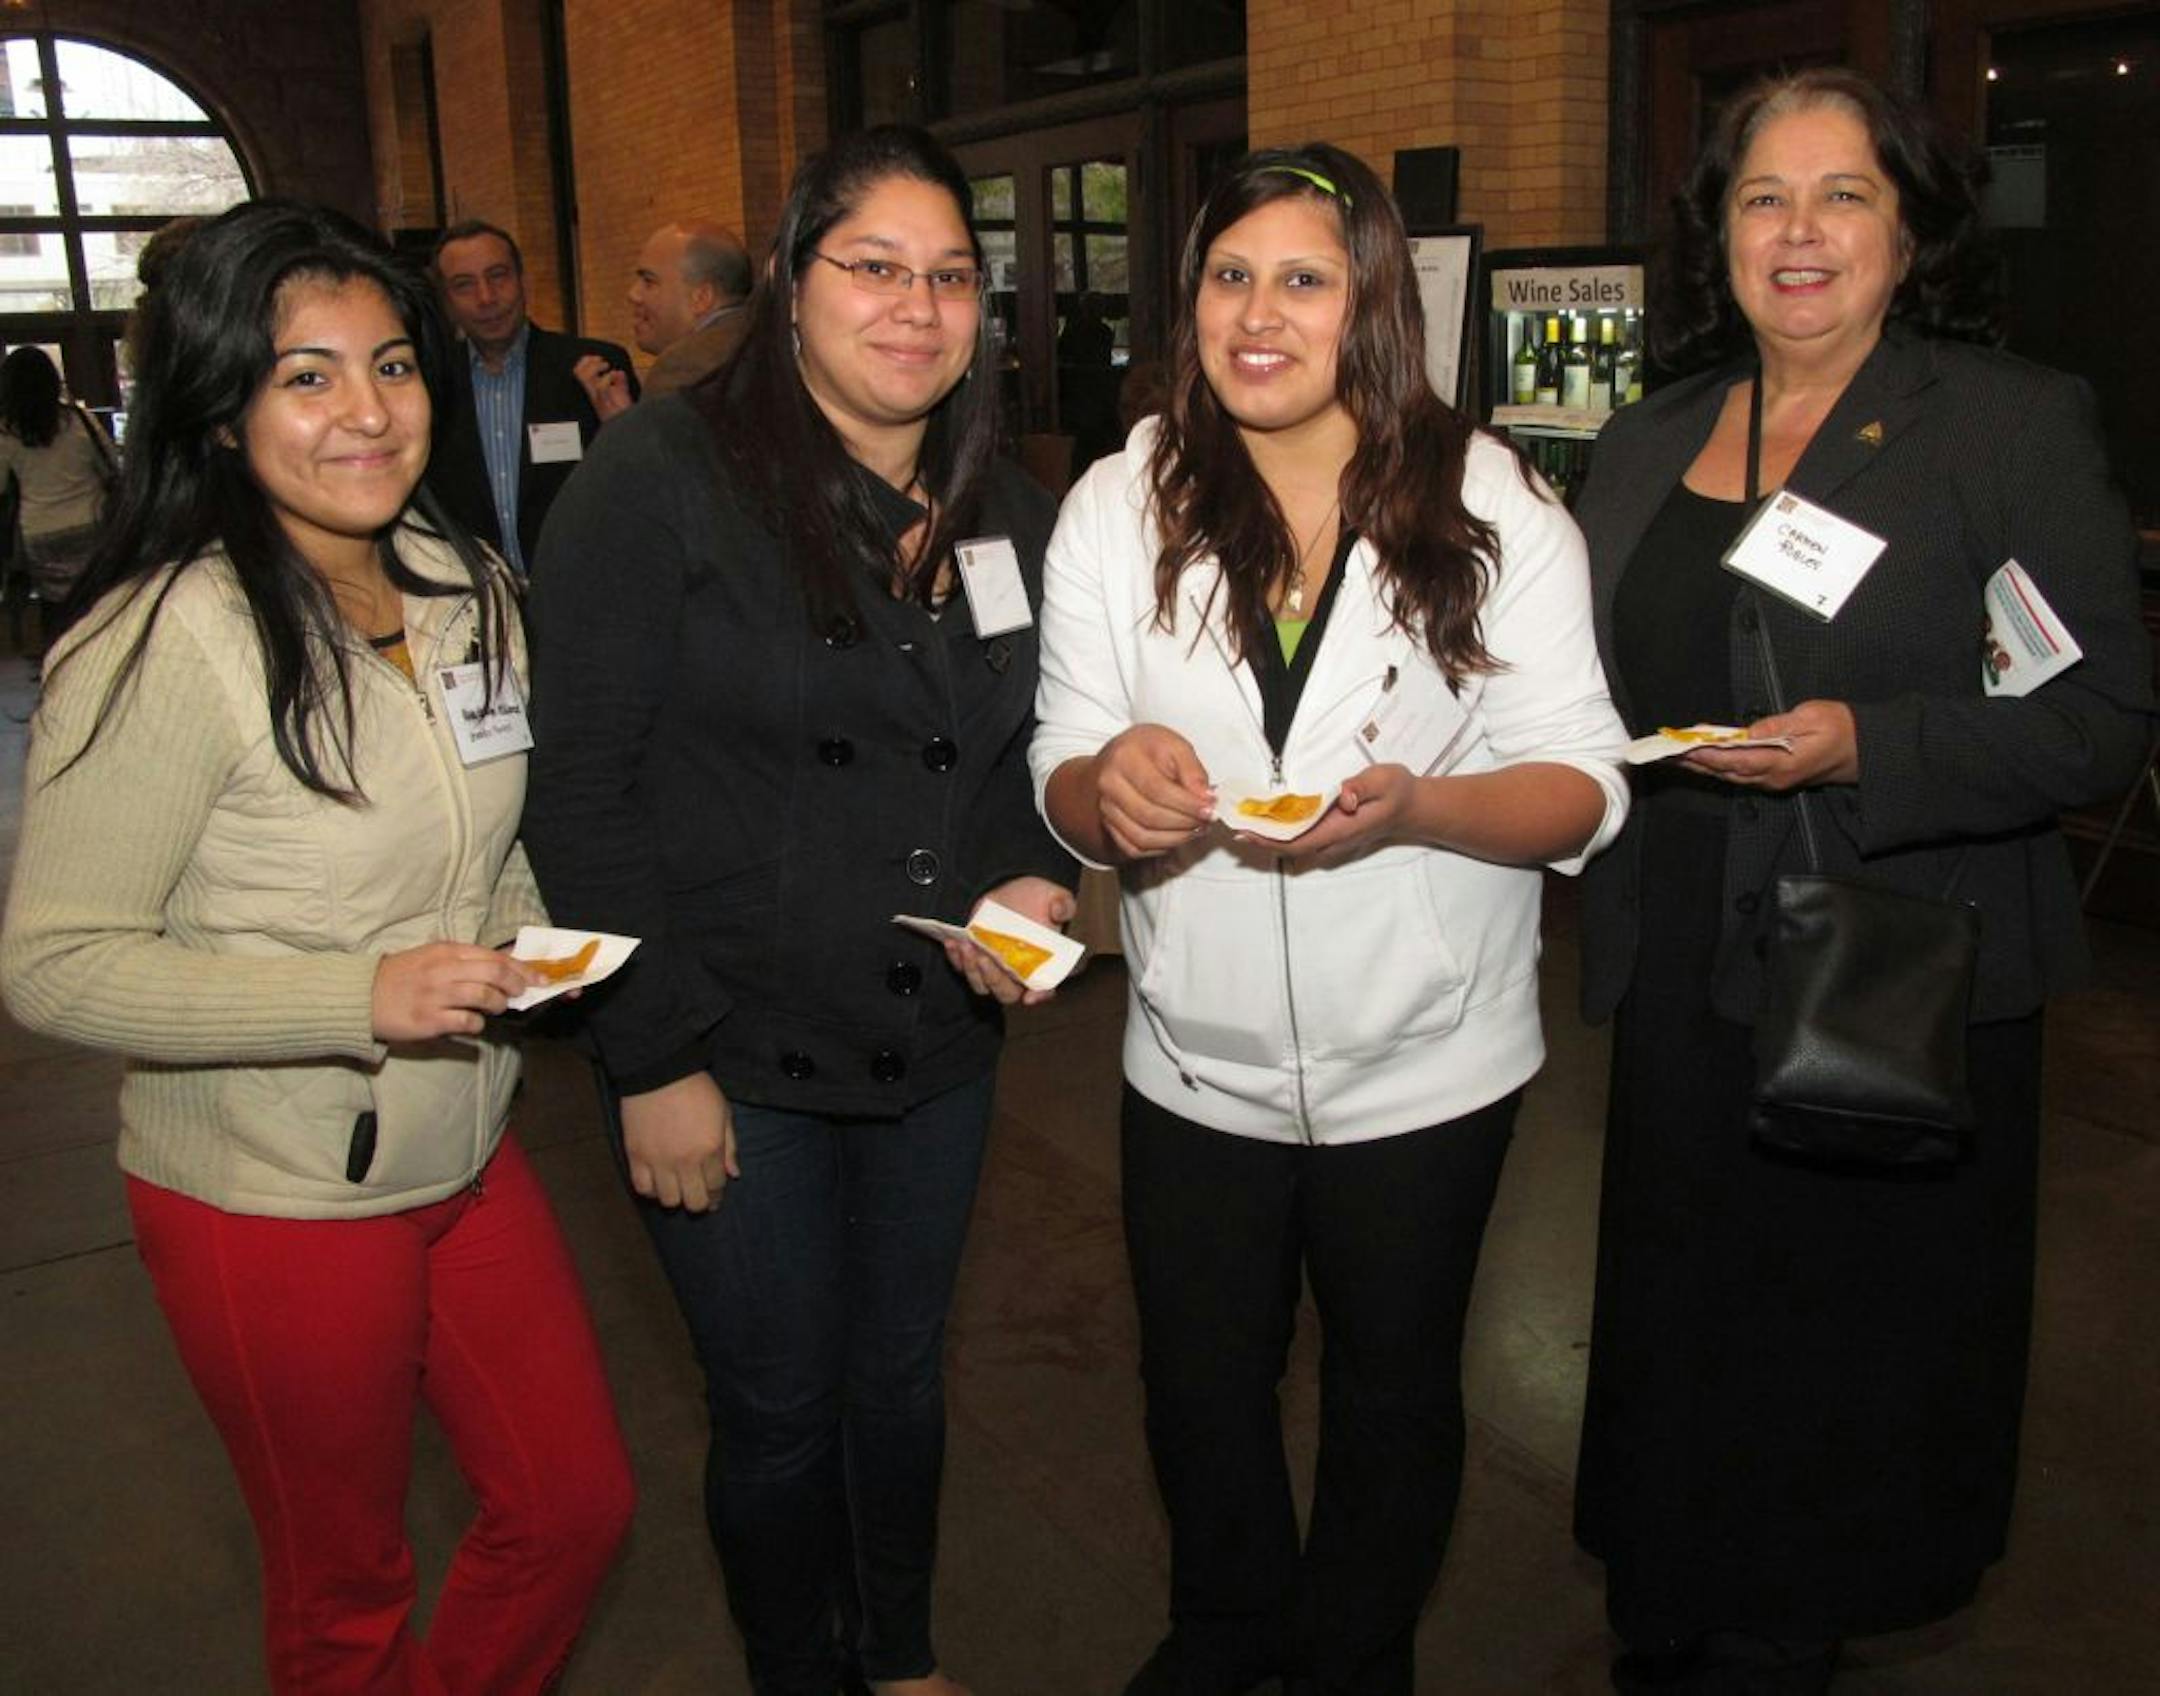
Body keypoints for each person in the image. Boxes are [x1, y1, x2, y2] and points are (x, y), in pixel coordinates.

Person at [1569, 69, 2156, 1694]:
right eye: (1764, 196)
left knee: (1840, 1336)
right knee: (1687, 1302)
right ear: (1721, 234)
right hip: (1687, 934)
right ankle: (1669, 1604)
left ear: (1912, 231)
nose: (1800, 231)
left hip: (1891, 948)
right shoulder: (1647, 432)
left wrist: (1871, 746)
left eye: (1844, 194)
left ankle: (1787, 1628)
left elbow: (2101, 713)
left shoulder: (2005, 424)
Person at [0, 199, 634, 1693]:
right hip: (267, 1195)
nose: (368, 411)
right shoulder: (162, 639)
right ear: (219, 408)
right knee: (345, 1587)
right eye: (307, 375)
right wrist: (360, 994)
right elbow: (55, 962)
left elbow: (487, 832)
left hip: (466, 1146)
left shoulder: (463, 582)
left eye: (394, 365)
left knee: (573, 1507)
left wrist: (534, 938)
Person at [1031, 144, 1631, 1696]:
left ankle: (1356, 1658)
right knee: (1201, 1394)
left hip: (1426, 1064)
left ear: (1372, 304)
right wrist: (1112, 789)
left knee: (1393, 1396)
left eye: (1304, 278)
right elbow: (1059, 757)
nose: (1259, 314)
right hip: (1193, 1064)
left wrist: (1425, 807)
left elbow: (1581, 784)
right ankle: (1226, 1639)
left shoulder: (1483, 497)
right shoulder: (1122, 500)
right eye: (1230, 276)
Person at [521, 126, 1075, 1696]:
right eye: (874, 268)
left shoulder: (1001, 505)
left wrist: (1040, 872)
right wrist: (648, 1057)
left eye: (952, 277)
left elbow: (1034, 748)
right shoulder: (666, 478)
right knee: (775, 1406)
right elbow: (583, 791)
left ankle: (896, 1655)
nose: (917, 308)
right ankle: (798, 1674)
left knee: (898, 1382)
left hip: (931, 1039)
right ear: (790, 280)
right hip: (729, 1046)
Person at [425, 219, 637, 575]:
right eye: (464, 285)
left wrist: (619, 425)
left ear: (523, 281)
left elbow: (637, 486)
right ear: (446, 300)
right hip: (479, 602)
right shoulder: (431, 384)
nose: (486, 298)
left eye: (498, 276)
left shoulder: (594, 369)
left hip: (577, 592)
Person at [0, 345, 116, 647]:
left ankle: (63, 664)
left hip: (41, 534)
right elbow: (111, 468)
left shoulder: (6, 436)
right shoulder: (80, 420)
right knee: (98, 608)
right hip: (91, 527)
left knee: (57, 611)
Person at [630, 218, 753, 395]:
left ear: (701, 298)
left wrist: (625, 422)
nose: (633, 295)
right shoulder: (775, 343)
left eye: (649, 281)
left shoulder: (684, 365)